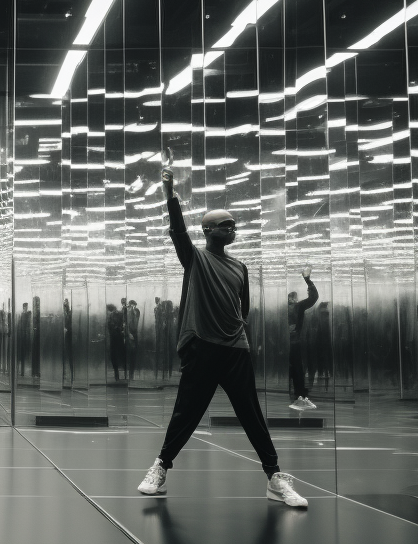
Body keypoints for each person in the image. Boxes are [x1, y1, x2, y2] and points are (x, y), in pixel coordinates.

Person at [137, 169, 308, 508]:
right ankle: (160, 467)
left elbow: (242, 308)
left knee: (251, 414)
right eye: (226, 225)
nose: (232, 229)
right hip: (202, 348)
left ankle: (274, 477)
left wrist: (233, 331)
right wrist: (169, 191)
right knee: (187, 412)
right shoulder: (195, 258)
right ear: (208, 231)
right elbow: (178, 231)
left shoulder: (240, 267)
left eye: (233, 225)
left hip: (235, 350)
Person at [288, 269, 319, 412]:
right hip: (294, 343)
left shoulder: (278, 308)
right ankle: (299, 396)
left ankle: (298, 395)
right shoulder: (297, 306)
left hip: (283, 345)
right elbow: (314, 297)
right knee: (297, 370)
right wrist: (307, 280)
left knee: (293, 370)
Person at [107, 303, 125, 382]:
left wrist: (115, 328)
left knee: (114, 355)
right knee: (119, 355)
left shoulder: (112, 315)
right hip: (118, 337)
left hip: (114, 337)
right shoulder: (119, 314)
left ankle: (117, 374)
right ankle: (119, 374)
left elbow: (111, 325)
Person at [17, 302, 30, 376]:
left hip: (23, 337)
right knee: (21, 355)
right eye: (26, 307)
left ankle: (22, 371)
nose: (27, 308)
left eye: (27, 307)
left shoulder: (25, 315)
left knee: (22, 355)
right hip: (22, 337)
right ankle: (21, 371)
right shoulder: (23, 315)